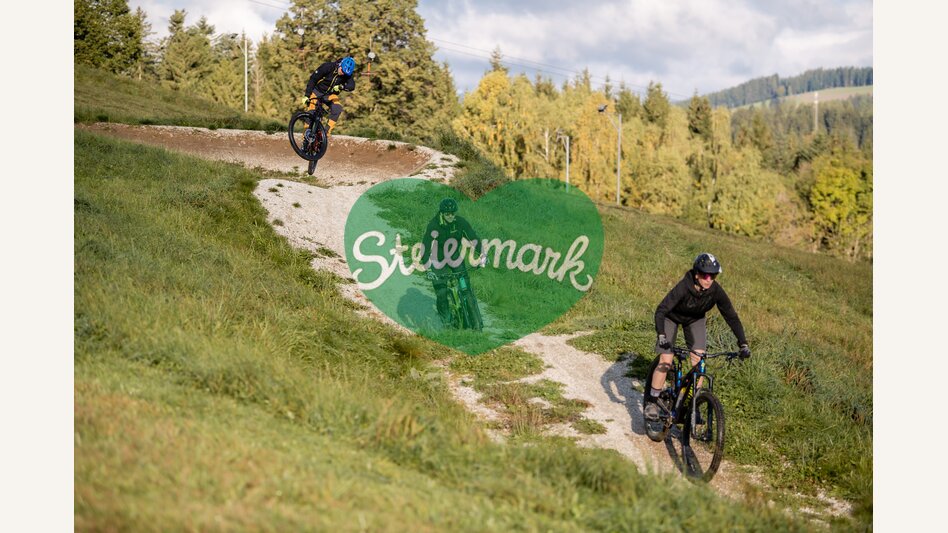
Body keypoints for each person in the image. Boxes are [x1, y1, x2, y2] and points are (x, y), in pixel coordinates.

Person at [644, 253, 751, 421]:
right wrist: (662, 335)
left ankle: (692, 405)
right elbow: (661, 309)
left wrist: (743, 343)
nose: (709, 279)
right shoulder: (684, 287)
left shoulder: (715, 291)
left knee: (699, 362)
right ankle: (652, 401)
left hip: (695, 320)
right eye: (706, 275)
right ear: (696, 274)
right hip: (671, 318)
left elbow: (731, 316)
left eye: (714, 275)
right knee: (666, 360)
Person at [421, 198, 485, 327]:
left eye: (452, 213)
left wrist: (483, 254)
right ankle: (447, 322)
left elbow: (473, 238)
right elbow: (426, 246)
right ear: (442, 213)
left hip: (454, 257)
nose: (450, 216)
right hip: (437, 259)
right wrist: (427, 268)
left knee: (465, 288)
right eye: (447, 214)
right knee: (441, 292)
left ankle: (474, 320)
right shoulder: (434, 225)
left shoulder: (461, 223)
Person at [299, 56, 356, 137]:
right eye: (342, 71)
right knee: (311, 111)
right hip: (317, 91)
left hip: (330, 95)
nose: (343, 74)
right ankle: (305, 135)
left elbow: (352, 86)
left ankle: (325, 133)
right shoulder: (328, 67)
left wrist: (342, 87)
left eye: (345, 73)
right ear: (340, 65)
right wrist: (306, 95)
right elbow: (313, 79)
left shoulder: (347, 74)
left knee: (337, 108)